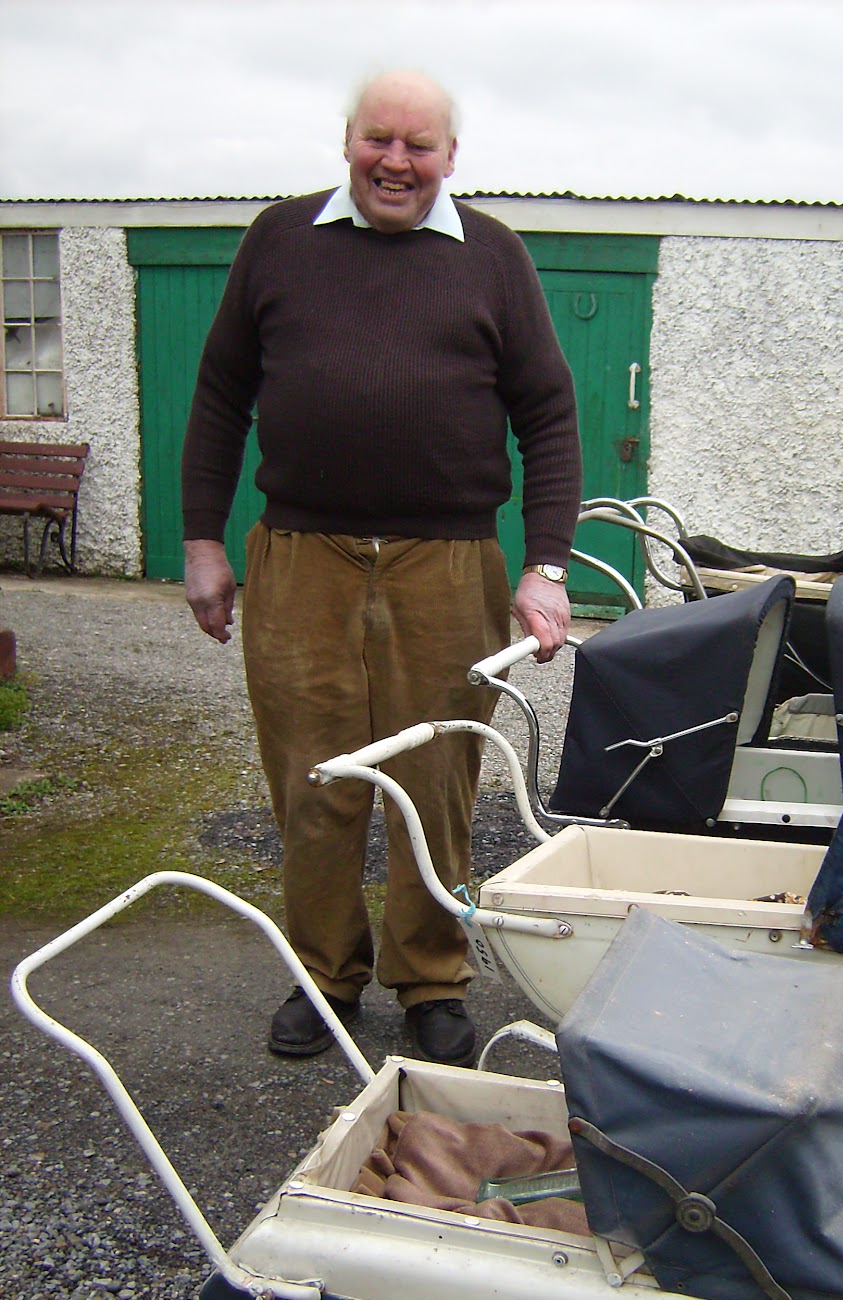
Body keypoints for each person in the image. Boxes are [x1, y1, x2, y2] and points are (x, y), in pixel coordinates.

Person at [181, 69, 582, 1066]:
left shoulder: (492, 257)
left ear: (452, 155)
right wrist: (200, 542)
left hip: (448, 564)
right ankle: (323, 974)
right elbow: (223, 393)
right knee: (312, 779)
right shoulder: (278, 240)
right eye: (378, 140)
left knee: (435, 775)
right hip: (299, 559)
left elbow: (549, 413)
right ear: (347, 140)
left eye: (419, 145)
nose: (395, 161)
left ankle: (431, 978)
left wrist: (546, 568)